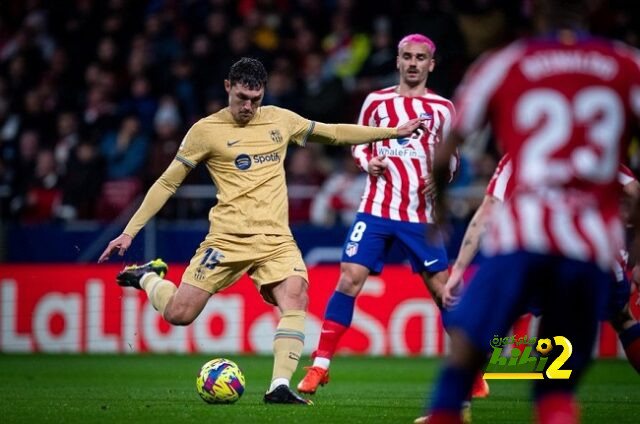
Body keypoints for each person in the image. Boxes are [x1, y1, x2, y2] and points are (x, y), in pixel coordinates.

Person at [97, 57, 424, 405]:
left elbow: (334, 132)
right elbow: (167, 183)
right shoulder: (205, 131)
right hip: (226, 240)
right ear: (228, 87)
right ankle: (149, 276)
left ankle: (279, 386)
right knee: (179, 314)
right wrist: (130, 232)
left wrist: (392, 132)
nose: (249, 107)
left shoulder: (280, 120)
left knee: (296, 297)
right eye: (242, 98)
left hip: (276, 240)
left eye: (256, 99)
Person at [418, 0, 640, 422]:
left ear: (533, 8)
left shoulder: (505, 64)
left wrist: (442, 212)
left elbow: (448, 147)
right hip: (591, 250)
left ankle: (448, 411)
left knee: (470, 337)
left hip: (523, 240)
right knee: (561, 381)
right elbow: (634, 191)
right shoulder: (628, 65)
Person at [296, 33, 485, 397]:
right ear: (397, 61)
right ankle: (320, 366)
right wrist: (371, 162)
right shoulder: (375, 101)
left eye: (420, 58)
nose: (413, 63)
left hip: (421, 216)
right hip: (375, 210)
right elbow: (357, 145)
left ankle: (472, 370)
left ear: (432, 64)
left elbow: (454, 160)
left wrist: (440, 178)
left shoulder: (444, 109)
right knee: (349, 278)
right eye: (407, 57)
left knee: (442, 291)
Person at [444, 155, 640, 375]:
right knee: (622, 318)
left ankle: (456, 404)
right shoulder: (593, 148)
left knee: (480, 324)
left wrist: (458, 270)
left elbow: (486, 214)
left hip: (535, 256)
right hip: (593, 259)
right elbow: (634, 190)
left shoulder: (517, 157)